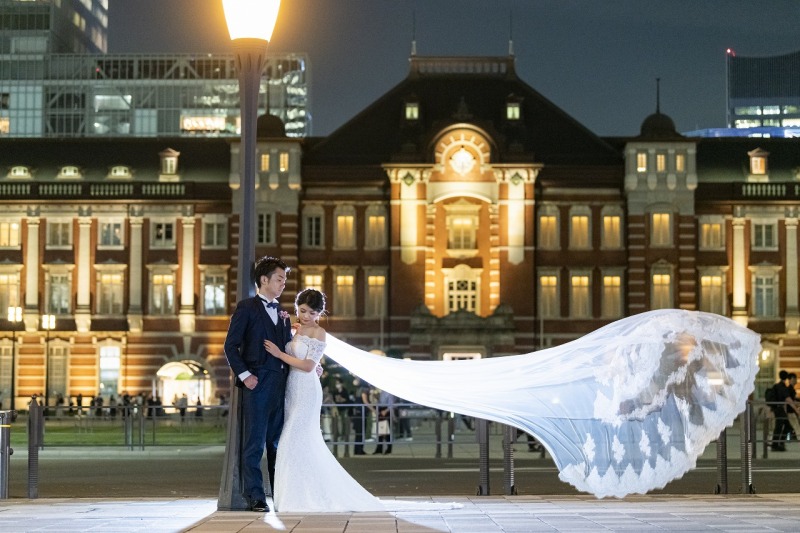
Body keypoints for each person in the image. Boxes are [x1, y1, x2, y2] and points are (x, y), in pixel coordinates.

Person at [264, 289, 458, 513]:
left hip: (307, 390)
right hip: (291, 389)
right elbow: (303, 359)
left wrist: (280, 354)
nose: (307, 316)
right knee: (295, 441)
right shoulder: (295, 329)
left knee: (294, 438)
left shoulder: (319, 332)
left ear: (320, 313)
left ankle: (298, 497)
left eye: (313, 313)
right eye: (303, 311)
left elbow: (308, 366)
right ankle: (298, 493)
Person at [223, 256, 292, 513]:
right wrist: (245, 376)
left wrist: (311, 364)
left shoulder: (283, 314)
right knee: (255, 443)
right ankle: (256, 496)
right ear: (264, 280)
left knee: (277, 443)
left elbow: (287, 349)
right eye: (280, 278)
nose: (284, 283)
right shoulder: (247, 307)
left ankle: (280, 493)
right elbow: (230, 345)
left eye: (284, 279)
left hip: (281, 385)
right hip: (257, 382)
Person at [770, 370, 792, 451]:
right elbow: (787, 399)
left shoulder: (777, 386)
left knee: (781, 427)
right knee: (783, 427)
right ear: (786, 377)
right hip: (780, 410)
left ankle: (778, 444)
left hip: (777, 409)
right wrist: (797, 410)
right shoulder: (783, 387)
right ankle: (777, 444)